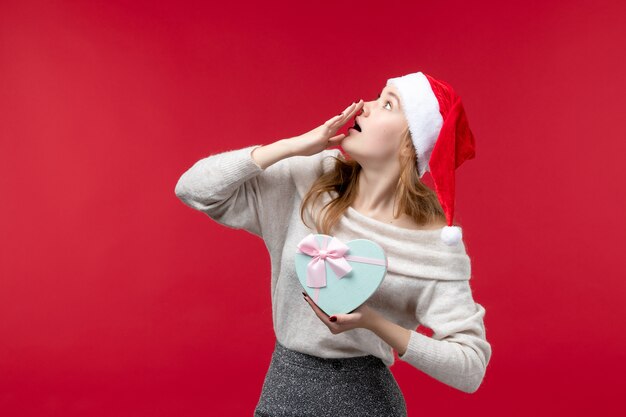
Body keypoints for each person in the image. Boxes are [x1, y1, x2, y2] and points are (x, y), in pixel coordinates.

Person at [175, 71, 492, 416]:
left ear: (409, 143)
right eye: (377, 95)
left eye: (388, 104)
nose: (366, 107)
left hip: (367, 404)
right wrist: (290, 146)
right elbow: (192, 189)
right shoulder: (310, 179)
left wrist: (373, 323)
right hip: (284, 391)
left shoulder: (432, 243)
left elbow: (470, 367)